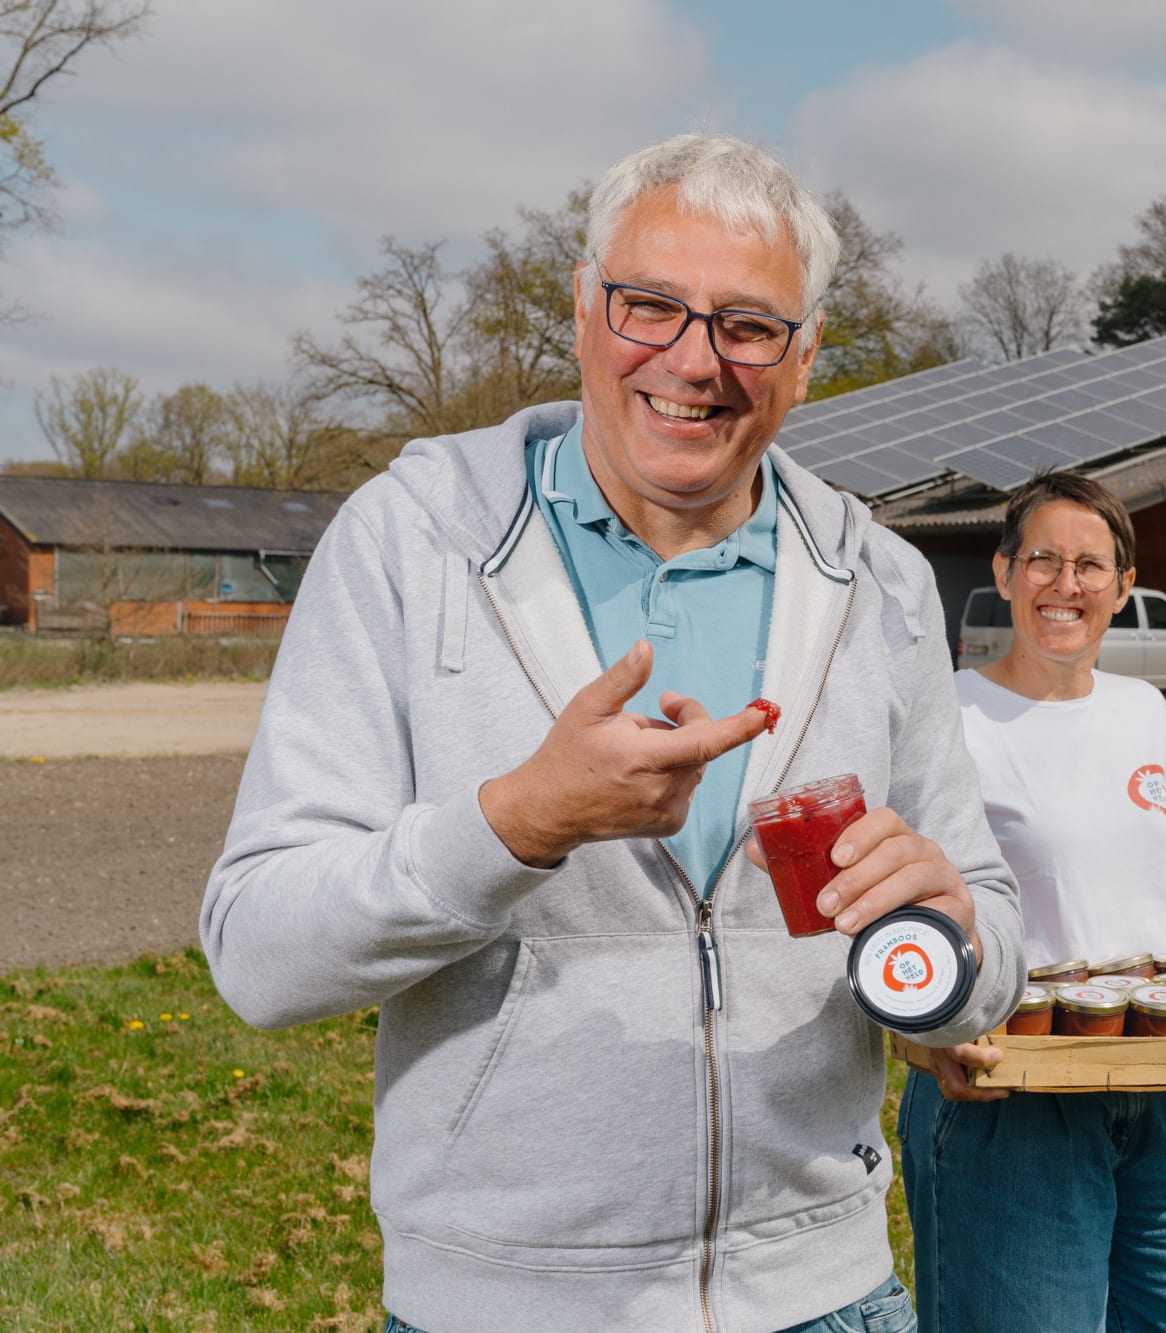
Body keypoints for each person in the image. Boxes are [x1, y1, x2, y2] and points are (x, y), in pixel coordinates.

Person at [201, 134, 1024, 1333]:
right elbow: (259, 955)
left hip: (826, 1295)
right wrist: (514, 825)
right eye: (651, 306)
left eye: (748, 326)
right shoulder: (412, 544)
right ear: (585, 309)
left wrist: (948, 938)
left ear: (804, 360)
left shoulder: (880, 582)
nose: (694, 363)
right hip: (500, 1303)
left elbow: (985, 939)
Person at [899, 470, 1166, 1333]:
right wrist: (920, 1032)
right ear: (1005, 571)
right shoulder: (948, 717)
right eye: (1044, 560)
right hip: (1016, 1100)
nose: (1066, 584)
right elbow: (898, 916)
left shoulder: (1146, 712)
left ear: (1124, 587)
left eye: (1091, 565)